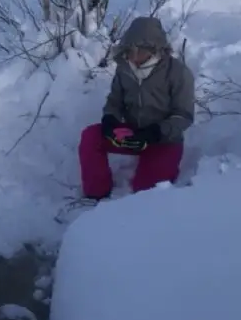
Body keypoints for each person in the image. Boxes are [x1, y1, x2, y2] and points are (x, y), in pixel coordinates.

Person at [79, 16, 195, 200]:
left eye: (137, 50)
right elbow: (114, 101)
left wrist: (156, 132)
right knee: (91, 137)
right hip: (131, 135)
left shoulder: (178, 72)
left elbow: (184, 116)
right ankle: (96, 193)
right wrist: (111, 121)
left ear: (153, 49)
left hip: (163, 140)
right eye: (129, 50)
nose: (131, 55)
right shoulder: (124, 68)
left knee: (146, 195)